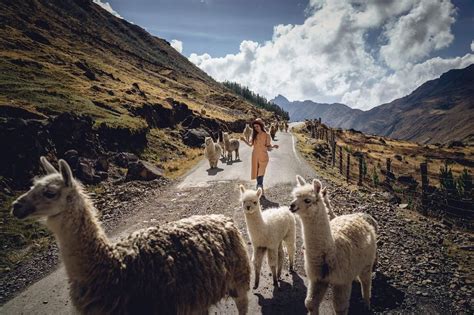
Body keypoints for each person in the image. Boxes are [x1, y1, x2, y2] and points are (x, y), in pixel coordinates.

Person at [241, 118, 279, 195]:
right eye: (254, 127)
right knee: (257, 172)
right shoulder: (254, 135)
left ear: (261, 125)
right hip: (255, 156)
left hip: (263, 156)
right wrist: (244, 140)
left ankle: (259, 186)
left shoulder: (267, 135)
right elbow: (250, 145)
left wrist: (273, 146)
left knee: (260, 172)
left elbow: (268, 147)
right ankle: (259, 187)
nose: (256, 128)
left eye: (257, 126)